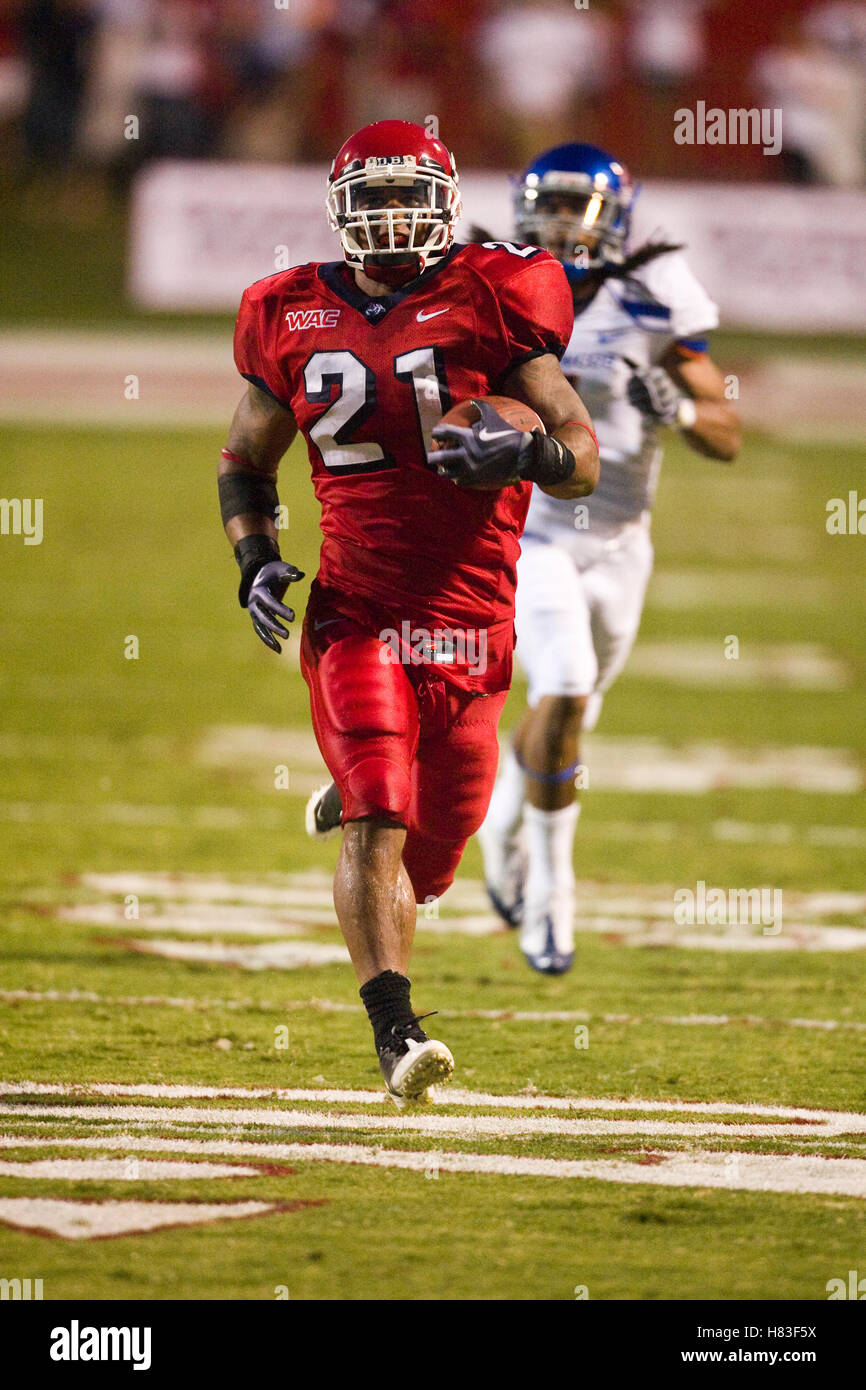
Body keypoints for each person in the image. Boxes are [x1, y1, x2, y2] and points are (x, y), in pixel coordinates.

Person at [220, 121, 598, 1103]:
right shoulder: (285, 309)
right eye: (372, 198)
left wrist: (524, 454)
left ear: (439, 205)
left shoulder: (495, 293)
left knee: (434, 854)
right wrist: (256, 558)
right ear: (342, 210)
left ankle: (358, 785)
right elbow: (243, 459)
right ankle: (395, 1032)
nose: (389, 216)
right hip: (357, 611)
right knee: (380, 816)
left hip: (472, 624)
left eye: (406, 197)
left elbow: (578, 452)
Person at [477, 143, 741, 974]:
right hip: (537, 534)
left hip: (625, 544)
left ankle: (498, 821)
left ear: (612, 216)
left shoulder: (651, 295)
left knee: (571, 712)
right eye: (546, 206)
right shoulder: (498, 290)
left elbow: (727, 430)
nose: (558, 223)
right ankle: (552, 894)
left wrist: (683, 412)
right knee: (562, 685)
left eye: (574, 208)